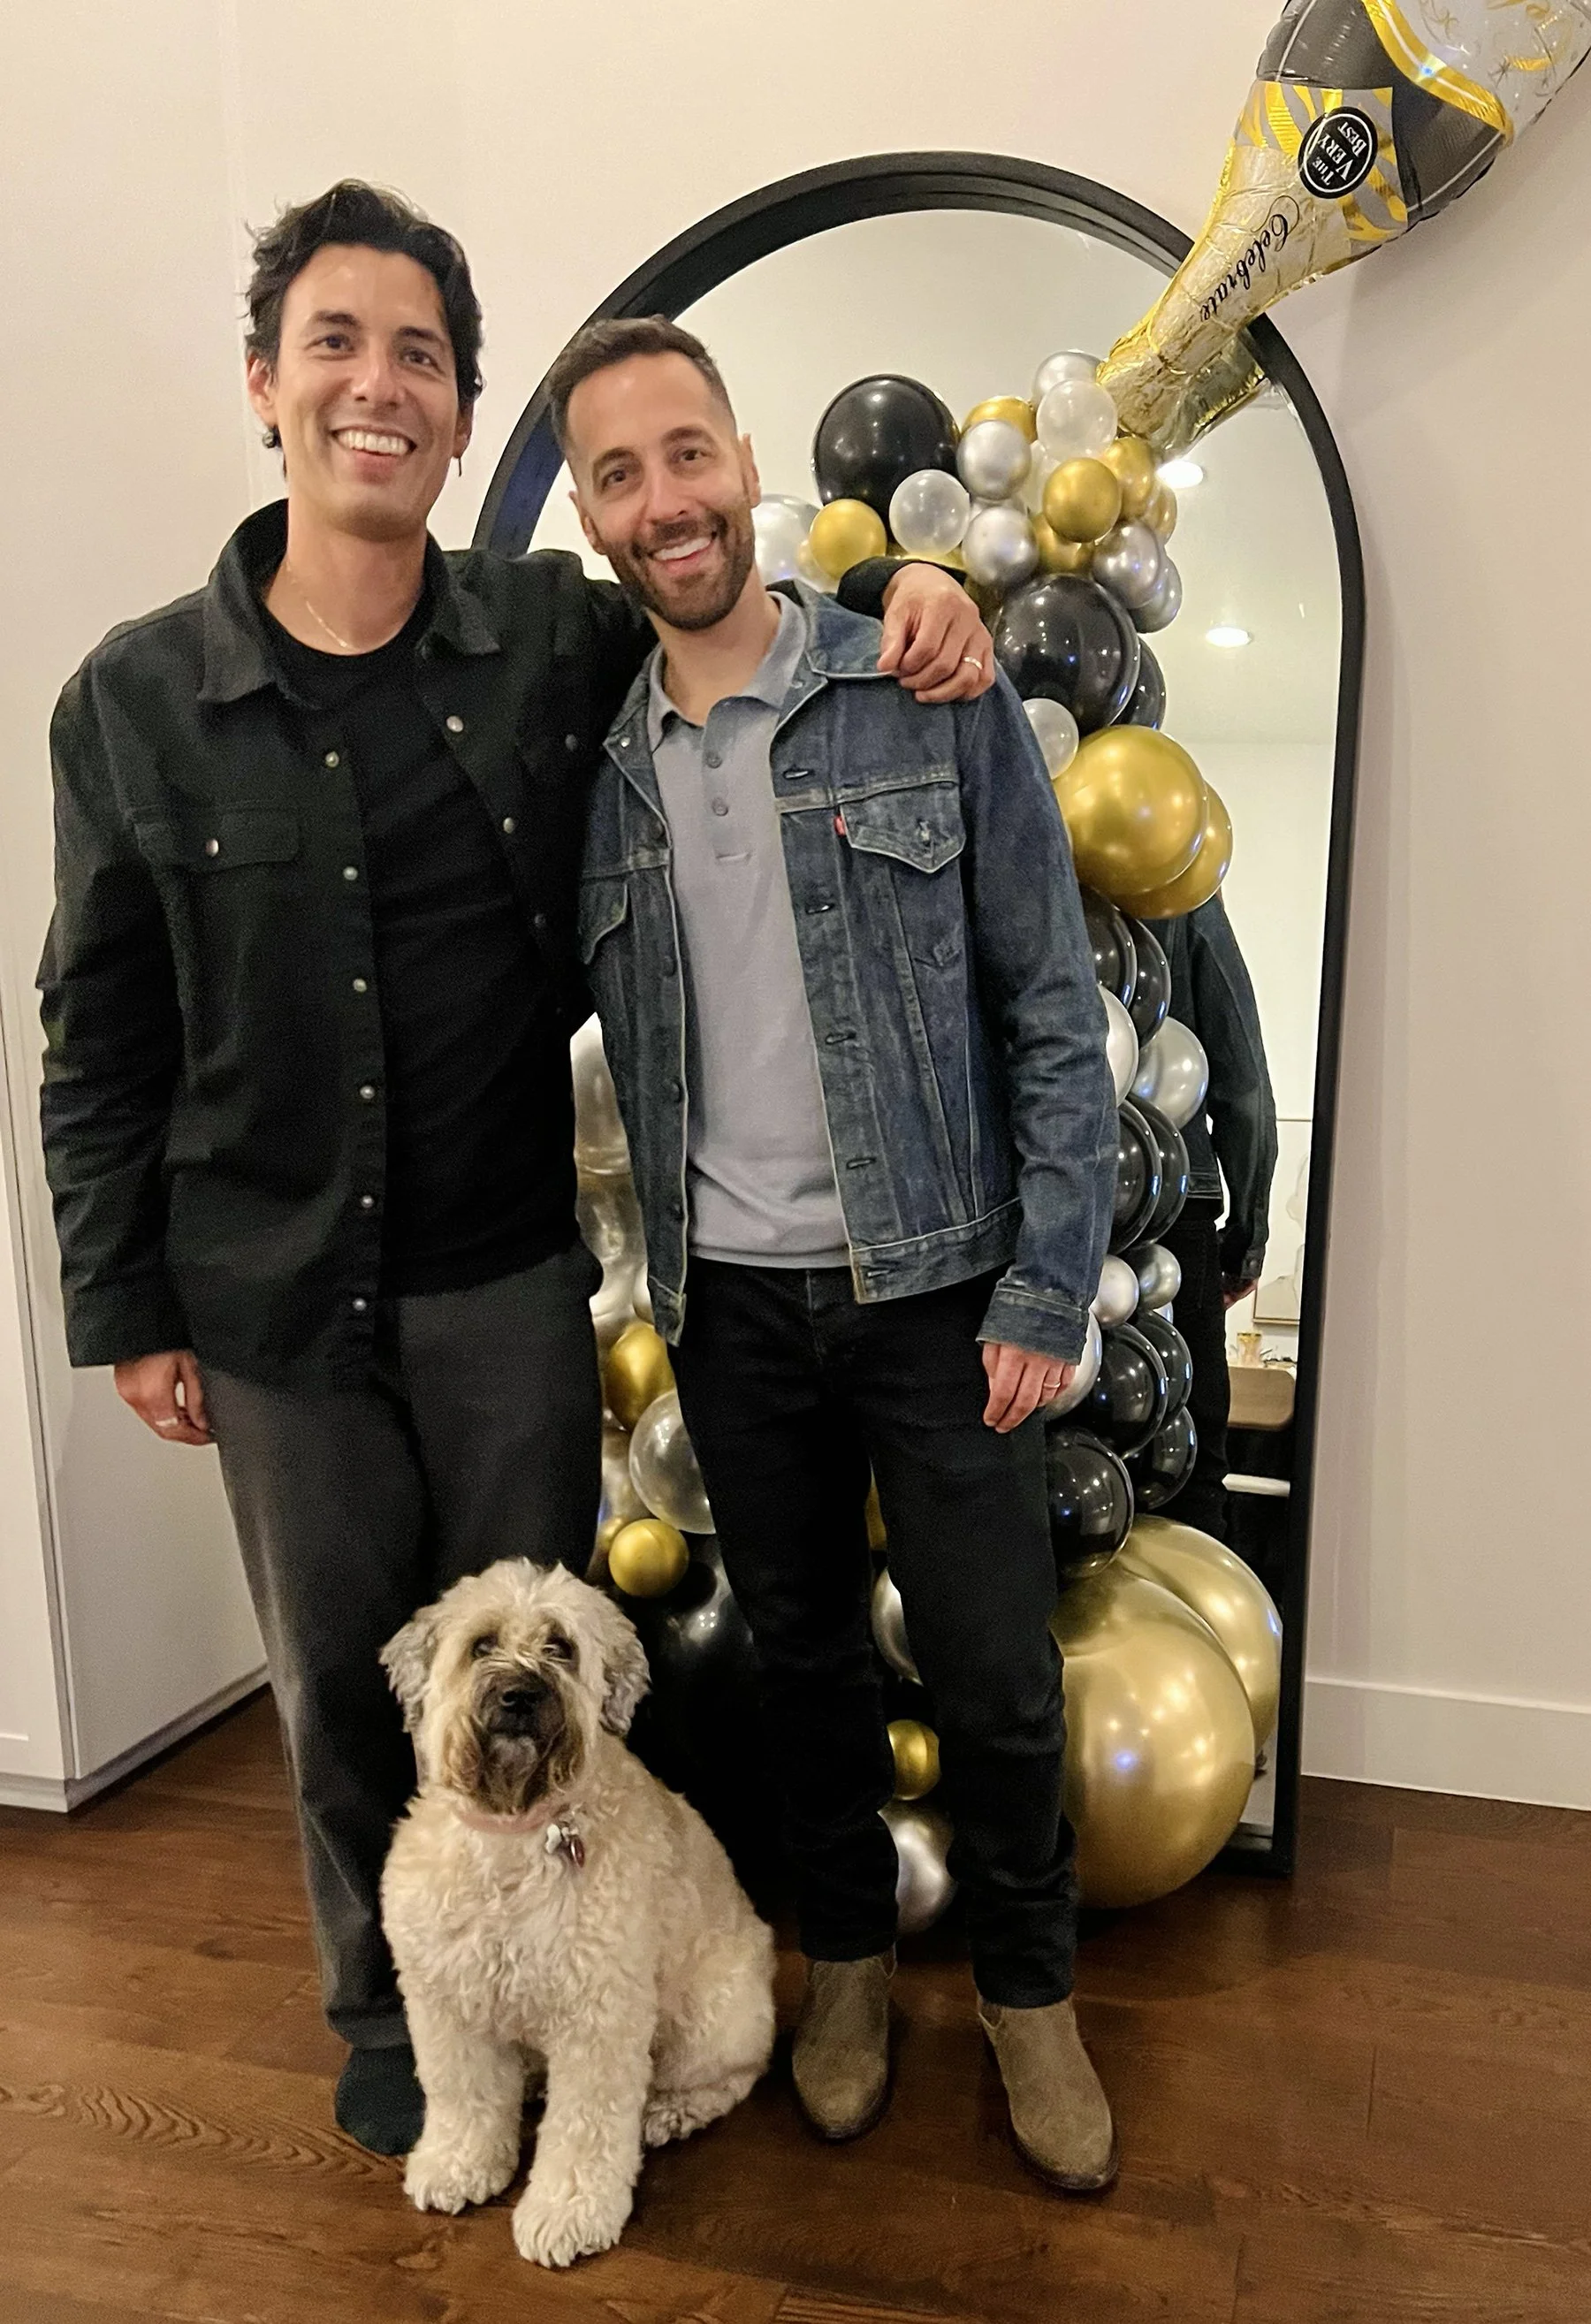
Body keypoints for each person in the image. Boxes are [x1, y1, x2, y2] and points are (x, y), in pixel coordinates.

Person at [35, 181, 993, 2159]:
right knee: (335, 1698)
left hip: (502, 1293)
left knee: (537, 1691)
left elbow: (717, 573)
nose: (376, 387)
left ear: (466, 418)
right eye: (337, 345)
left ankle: (568, 2005)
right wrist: (126, 1306)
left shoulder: (547, 639)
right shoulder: (130, 705)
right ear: (266, 386)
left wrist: (915, 588)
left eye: (419, 358)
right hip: (270, 1293)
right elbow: (100, 1037)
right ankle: (387, 2022)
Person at [554, 316, 1121, 2191]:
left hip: (940, 1286)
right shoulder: (603, 767)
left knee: (994, 1674)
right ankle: (853, 1968)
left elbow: (1052, 1003)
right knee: (803, 1665)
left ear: (744, 460)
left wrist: (1049, 1281)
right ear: (593, 512)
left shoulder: (917, 688)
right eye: (619, 474)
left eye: (686, 452)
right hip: (729, 1309)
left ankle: (1032, 2000)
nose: (665, 501)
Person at [1146, 895, 1278, 1542]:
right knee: (1192, 1457)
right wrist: (1245, 1242)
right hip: (1177, 1203)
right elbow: (1243, 1082)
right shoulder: (1178, 880)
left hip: (1040, 1205)